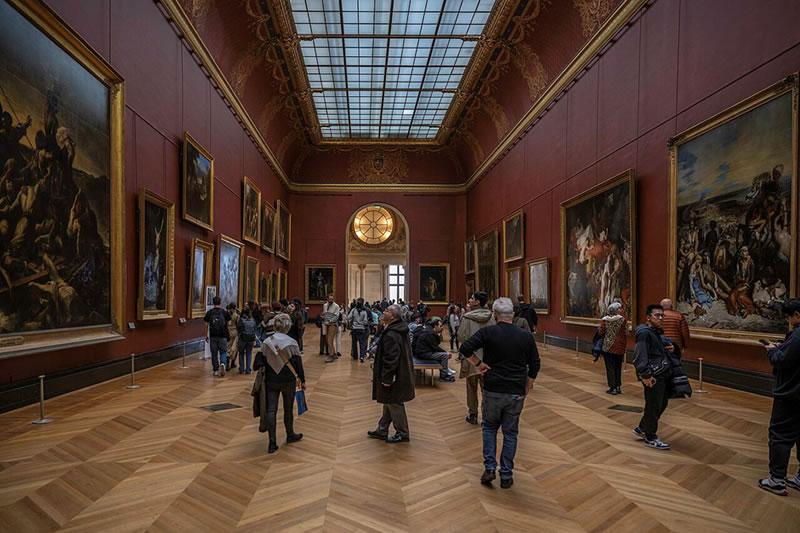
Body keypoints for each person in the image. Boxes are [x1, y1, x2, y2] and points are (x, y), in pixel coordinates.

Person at [459, 297, 540, 489]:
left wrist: (479, 364)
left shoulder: (489, 332)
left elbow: (464, 348)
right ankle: (506, 474)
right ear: (512, 314)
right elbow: (535, 364)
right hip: (516, 391)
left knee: (489, 428)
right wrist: (528, 385)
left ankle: (489, 467)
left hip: (493, 388)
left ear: (495, 315)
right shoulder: (525, 336)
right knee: (510, 433)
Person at [759, 298, 800, 496]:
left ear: (797, 315)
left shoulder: (798, 335)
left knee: (780, 436)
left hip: (791, 394)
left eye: (788, 316)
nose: (788, 319)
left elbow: (782, 361)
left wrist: (773, 351)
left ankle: (776, 480)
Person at [255, 313, 306, 454]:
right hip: (288, 380)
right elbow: (298, 365)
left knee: (271, 410)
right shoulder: (292, 342)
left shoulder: (266, 342)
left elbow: (257, 363)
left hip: (271, 380)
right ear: (288, 326)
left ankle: (272, 442)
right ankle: (290, 434)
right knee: (288, 409)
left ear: (275, 325)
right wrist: (303, 381)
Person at [367, 304, 415, 443]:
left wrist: (387, 378)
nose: (384, 311)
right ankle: (382, 429)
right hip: (400, 373)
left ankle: (402, 432)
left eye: (387, 311)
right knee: (388, 401)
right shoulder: (397, 329)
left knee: (394, 402)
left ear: (393, 316)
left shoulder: (392, 334)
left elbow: (391, 358)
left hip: (395, 376)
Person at [632, 304, 673, 450]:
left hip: (659, 373)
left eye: (662, 315)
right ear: (648, 317)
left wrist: (671, 347)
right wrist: (646, 375)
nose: (661, 318)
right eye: (657, 315)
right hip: (653, 375)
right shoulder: (644, 333)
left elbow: (655, 348)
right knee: (654, 405)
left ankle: (642, 428)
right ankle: (650, 437)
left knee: (661, 403)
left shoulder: (654, 332)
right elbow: (639, 355)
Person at [458, 291, 495, 425]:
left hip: (471, 358)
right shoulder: (492, 317)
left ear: (478, 302)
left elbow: (461, 336)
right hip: (488, 358)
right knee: (487, 389)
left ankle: (473, 414)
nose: (469, 299)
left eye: (472, 298)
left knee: (471, 387)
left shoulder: (467, 318)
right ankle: (487, 416)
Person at [598, 302, 627, 394]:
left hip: (608, 346)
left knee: (610, 368)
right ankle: (618, 386)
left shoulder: (605, 320)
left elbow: (601, 332)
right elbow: (626, 332)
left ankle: (612, 387)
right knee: (618, 367)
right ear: (617, 310)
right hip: (620, 346)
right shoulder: (623, 320)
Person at [414, 317, 455, 382]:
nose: (442, 328)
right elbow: (435, 347)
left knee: (442, 355)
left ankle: (445, 372)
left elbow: (434, 347)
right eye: (440, 326)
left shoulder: (430, 331)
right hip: (423, 354)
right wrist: (446, 353)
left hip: (424, 352)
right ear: (435, 326)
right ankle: (443, 376)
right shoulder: (430, 333)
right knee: (444, 356)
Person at [203, 296, 231, 377]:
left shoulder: (210, 313)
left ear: (213, 302)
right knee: (223, 352)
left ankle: (215, 370)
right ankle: (223, 363)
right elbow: (229, 323)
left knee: (214, 353)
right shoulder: (224, 312)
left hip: (213, 336)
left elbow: (206, 325)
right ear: (220, 302)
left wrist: (206, 335)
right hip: (223, 335)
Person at [348, 297, 370, 362]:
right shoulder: (364, 312)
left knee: (354, 343)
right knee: (362, 343)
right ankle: (362, 356)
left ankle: (355, 356)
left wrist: (354, 320)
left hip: (354, 329)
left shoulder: (354, 310)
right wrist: (361, 323)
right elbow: (365, 321)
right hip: (362, 329)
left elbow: (348, 317)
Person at [237, 306, 257, 374]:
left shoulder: (241, 320)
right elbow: (255, 329)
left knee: (241, 353)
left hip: (242, 338)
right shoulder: (252, 320)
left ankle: (241, 369)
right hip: (251, 338)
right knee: (249, 353)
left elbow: (238, 329)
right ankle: (248, 369)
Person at [322, 294, 340, 363]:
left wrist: (329, 321)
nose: (331, 301)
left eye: (332, 299)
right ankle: (334, 354)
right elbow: (325, 314)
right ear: (327, 299)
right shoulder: (325, 305)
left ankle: (331, 355)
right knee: (328, 340)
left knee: (330, 340)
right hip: (326, 324)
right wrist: (323, 317)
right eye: (330, 299)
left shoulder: (336, 306)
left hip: (333, 324)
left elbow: (336, 316)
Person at [225, 303, 240, 371]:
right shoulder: (236, 315)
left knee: (228, 346)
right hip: (235, 332)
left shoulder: (227, 314)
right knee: (235, 348)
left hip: (228, 331)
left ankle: (227, 360)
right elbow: (238, 325)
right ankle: (232, 363)